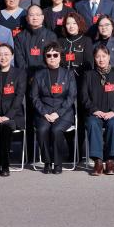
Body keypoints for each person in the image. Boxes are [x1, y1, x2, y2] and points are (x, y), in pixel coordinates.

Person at [81, 44, 114, 175]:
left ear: (109, 57)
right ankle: (98, 161)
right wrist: (95, 110)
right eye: (98, 56)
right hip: (96, 113)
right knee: (92, 123)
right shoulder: (88, 75)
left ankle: (109, 160)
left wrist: (113, 112)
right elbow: (84, 97)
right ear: (94, 58)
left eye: (104, 56)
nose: (101, 59)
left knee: (113, 124)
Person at [30, 41, 77, 174]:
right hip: (44, 112)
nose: (52, 58)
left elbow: (71, 96)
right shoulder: (39, 74)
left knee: (56, 130)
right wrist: (45, 113)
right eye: (49, 55)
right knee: (42, 129)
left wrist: (58, 113)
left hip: (64, 112)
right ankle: (47, 161)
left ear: (60, 57)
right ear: (45, 57)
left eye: (55, 55)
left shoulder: (68, 74)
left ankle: (57, 163)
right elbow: (34, 97)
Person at [0, 44, 27, 177]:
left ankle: (5, 165)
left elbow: (19, 97)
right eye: (0, 54)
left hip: (13, 115)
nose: (3, 57)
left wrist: (8, 116)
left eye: (6, 54)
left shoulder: (19, 73)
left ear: (12, 56)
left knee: (5, 129)